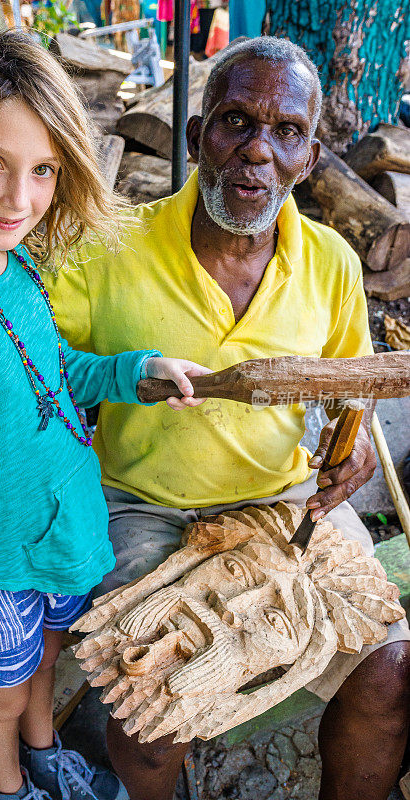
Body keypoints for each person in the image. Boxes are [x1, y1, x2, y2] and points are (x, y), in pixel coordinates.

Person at [46, 36, 410, 800]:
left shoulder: (334, 262)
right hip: (146, 507)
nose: (257, 152)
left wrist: (356, 451)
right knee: (151, 714)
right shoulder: (108, 249)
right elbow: (35, 366)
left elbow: (352, 384)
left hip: (284, 500)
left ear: (311, 158)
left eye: (285, 132)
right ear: (195, 136)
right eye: (235, 121)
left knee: (391, 670)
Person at [0, 26, 210, 800]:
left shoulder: (15, 263)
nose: (20, 199)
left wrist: (135, 373)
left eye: (44, 170)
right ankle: (10, 786)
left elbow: (51, 371)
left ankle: (45, 745)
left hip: (60, 531)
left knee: (46, 658)